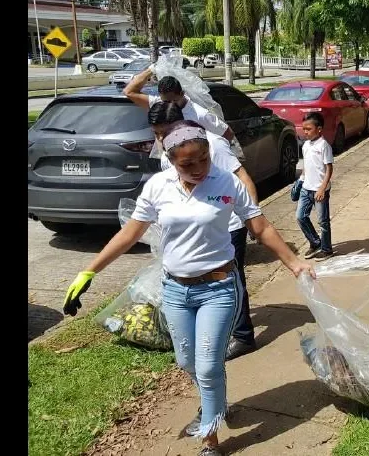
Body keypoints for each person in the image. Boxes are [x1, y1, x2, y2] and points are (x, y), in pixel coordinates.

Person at [62, 125, 314, 456]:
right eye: (187, 165)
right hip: (176, 291)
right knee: (186, 361)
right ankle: (218, 402)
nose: (198, 169)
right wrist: (88, 271)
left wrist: (294, 262)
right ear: (171, 161)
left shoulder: (226, 182)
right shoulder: (158, 186)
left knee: (208, 364)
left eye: (203, 160)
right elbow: (130, 234)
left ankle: (210, 439)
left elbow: (261, 226)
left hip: (219, 288)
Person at [148, 102, 259, 362]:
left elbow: (242, 177)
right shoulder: (171, 153)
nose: (158, 140)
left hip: (227, 225)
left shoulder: (212, 146)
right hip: (196, 228)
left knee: (230, 278)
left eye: (161, 133)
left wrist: (250, 219)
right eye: (155, 134)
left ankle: (243, 336)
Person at [124, 67, 244, 160]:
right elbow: (129, 91)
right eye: (165, 101)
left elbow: (227, 134)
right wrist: (152, 69)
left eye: (173, 100)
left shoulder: (199, 114)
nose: (169, 105)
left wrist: (209, 158)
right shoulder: (159, 104)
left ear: (182, 94)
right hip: (169, 165)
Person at [297, 112, 334, 260]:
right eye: (303, 128)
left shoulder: (324, 145)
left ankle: (327, 249)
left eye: (308, 129)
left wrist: (322, 188)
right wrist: (301, 181)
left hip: (320, 189)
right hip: (306, 188)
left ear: (319, 129)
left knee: (323, 221)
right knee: (300, 216)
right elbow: (306, 165)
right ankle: (314, 241)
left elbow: (329, 168)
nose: (305, 132)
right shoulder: (306, 145)